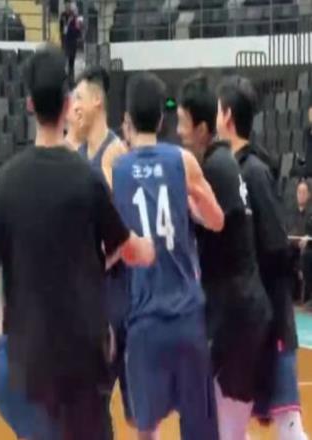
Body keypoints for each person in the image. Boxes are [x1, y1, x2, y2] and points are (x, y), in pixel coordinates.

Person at [0, 45, 155, 440]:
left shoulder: (8, 180)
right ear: (66, 102)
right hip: (80, 358)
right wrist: (145, 249)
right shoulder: (85, 177)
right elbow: (124, 244)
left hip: (27, 358)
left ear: (29, 103)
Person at [115, 72, 223, 440]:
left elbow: (110, 245)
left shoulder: (118, 169)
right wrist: (191, 206)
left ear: (128, 118)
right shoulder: (183, 161)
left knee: (147, 430)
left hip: (143, 321)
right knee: (199, 429)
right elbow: (217, 220)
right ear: (162, 118)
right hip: (187, 318)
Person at [177, 74, 272, 440]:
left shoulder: (217, 167)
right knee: (228, 428)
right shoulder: (219, 163)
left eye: (183, 123)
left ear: (203, 129)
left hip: (237, 316)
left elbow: (218, 222)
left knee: (228, 429)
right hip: (235, 311)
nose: (179, 132)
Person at [217, 75, 308, 440]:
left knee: (288, 423)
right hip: (245, 324)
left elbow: (276, 247)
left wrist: (266, 302)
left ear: (226, 115)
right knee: (233, 423)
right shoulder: (230, 169)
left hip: (269, 319)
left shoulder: (253, 172)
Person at [72, 65, 132, 425]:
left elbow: (124, 231)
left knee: (133, 411)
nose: (74, 105)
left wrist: (97, 265)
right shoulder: (78, 153)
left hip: (118, 292)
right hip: (92, 295)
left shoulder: (116, 154)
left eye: (79, 98)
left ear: (97, 101)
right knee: (94, 402)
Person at [287, 180, 312, 306]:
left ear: (309, 195)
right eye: (299, 192)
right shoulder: (290, 212)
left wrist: (307, 238)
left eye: (304, 192)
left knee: (306, 255)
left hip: (308, 247)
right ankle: (288, 294)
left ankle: (307, 297)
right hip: (292, 245)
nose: (301, 195)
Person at [59, 1, 82, 85]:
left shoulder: (74, 16)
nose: (67, 6)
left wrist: (73, 28)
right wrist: (62, 38)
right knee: (64, 62)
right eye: (66, 4)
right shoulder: (63, 15)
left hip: (72, 41)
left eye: (69, 4)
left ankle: (71, 81)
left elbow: (78, 30)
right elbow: (61, 28)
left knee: (71, 62)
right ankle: (64, 81)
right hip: (65, 41)